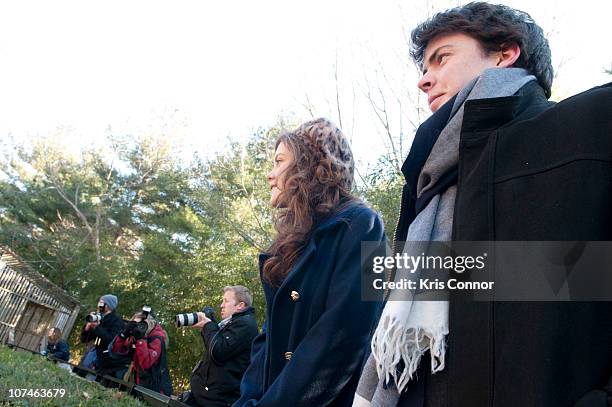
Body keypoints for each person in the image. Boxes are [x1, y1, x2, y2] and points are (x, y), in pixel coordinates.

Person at [354, 3, 612, 407]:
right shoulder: (426, 188)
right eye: (423, 68)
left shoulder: (592, 126)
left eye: (442, 58)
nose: (425, 80)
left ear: (504, 53)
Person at [233, 118, 386, 406]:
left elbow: (343, 338)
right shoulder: (290, 244)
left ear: (310, 165)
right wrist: (248, 400)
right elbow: (267, 340)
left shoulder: (365, 227)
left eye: (279, 161)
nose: (270, 174)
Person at [182, 285, 258, 407]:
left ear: (240, 305)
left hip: (218, 402)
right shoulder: (232, 324)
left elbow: (218, 351)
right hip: (206, 399)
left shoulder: (246, 325)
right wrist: (206, 328)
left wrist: (208, 325)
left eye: (226, 301)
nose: (221, 305)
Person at [110, 309, 173, 395]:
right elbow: (116, 351)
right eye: (134, 324)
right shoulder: (135, 335)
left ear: (146, 324)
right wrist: (124, 334)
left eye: (139, 325)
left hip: (155, 385)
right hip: (137, 379)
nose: (136, 328)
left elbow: (146, 363)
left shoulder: (157, 337)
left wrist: (140, 340)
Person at [79, 294, 128, 378]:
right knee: (81, 372)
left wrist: (97, 327)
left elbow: (112, 340)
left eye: (102, 303)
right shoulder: (98, 317)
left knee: (90, 379)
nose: (99, 305)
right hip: (93, 351)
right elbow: (84, 339)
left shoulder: (117, 321)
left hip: (105, 358)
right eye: (99, 302)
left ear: (108, 305)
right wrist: (87, 328)